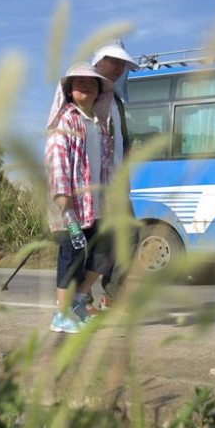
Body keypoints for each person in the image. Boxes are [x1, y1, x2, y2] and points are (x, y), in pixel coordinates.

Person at [45, 62, 116, 333]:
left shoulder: (98, 123)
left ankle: (76, 301)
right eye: (78, 82)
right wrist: (64, 201)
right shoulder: (66, 119)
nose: (85, 85)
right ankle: (60, 315)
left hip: (97, 207)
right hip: (72, 209)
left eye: (92, 81)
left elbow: (105, 165)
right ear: (69, 90)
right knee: (72, 255)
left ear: (100, 90)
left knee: (105, 253)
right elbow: (56, 158)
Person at [89, 38, 140, 311]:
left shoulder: (116, 101)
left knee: (129, 238)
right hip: (94, 185)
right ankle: (79, 299)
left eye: (123, 63)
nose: (121, 67)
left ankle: (113, 296)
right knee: (92, 243)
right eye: (115, 61)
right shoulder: (86, 93)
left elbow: (122, 140)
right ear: (99, 61)